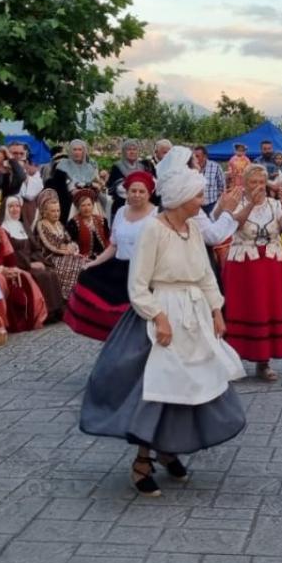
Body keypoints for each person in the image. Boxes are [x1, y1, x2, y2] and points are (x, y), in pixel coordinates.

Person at [79, 149, 246, 497]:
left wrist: (216, 310)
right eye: (198, 195)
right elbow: (137, 284)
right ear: (182, 198)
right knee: (158, 386)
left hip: (194, 313)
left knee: (189, 384)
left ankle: (168, 448)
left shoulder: (192, 230)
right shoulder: (153, 231)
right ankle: (142, 460)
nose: (202, 201)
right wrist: (158, 317)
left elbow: (204, 273)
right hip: (161, 312)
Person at [221, 164, 282, 382]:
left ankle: (263, 362)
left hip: (271, 264)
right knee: (242, 308)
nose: (258, 187)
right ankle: (231, 360)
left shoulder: (273, 204)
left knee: (266, 309)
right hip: (243, 265)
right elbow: (233, 226)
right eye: (253, 182)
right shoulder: (236, 202)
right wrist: (251, 205)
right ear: (244, 183)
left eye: (261, 182)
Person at [63, 173, 157, 341]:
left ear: (149, 193)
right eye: (133, 191)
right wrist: (94, 263)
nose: (136, 195)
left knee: (137, 315)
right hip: (119, 269)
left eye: (141, 191)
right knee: (88, 279)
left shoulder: (156, 215)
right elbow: (113, 245)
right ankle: (115, 345)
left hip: (143, 271)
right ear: (127, 192)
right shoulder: (121, 212)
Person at [0, 196, 48, 333]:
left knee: (24, 276)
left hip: (3, 269)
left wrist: (11, 268)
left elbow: (9, 255)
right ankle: (1, 322)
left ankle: (29, 318)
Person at [0, 196, 62, 321]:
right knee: (41, 275)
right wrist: (29, 264)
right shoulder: (2, 229)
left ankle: (55, 312)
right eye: (11, 206)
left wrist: (36, 260)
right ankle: (44, 313)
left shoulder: (23, 225)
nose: (15, 209)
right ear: (5, 209)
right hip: (17, 265)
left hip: (30, 262)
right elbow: (8, 254)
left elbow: (35, 247)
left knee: (51, 273)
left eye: (17, 206)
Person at [33, 189, 89, 294]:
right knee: (77, 266)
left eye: (58, 210)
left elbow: (68, 239)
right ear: (45, 212)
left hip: (64, 254)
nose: (56, 214)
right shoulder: (41, 225)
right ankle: (68, 295)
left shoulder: (59, 224)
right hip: (50, 258)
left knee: (86, 263)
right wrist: (65, 249)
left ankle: (83, 294)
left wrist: (73, 247)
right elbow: (50, 244)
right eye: (53, 211)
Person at [49, 139, 99, 209]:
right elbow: (57, 187)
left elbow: (96, 186)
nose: (77, 152)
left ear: (84, 152)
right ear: (70, 151)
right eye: (74, 149)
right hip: (66, 205)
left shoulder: (89, 168)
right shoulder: (62, 165)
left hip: (87, 205)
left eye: (79, 150)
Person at [107, 140, 147, 215]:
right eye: (129, 149)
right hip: (122, 204)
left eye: (134, 149)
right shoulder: (117, 166)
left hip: (141, 204)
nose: (132, 152)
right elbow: (118, 188)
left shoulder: (142, 167)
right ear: (124, 152)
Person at [194, 145, 225, 215]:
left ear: (204, 157)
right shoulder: (191, 168)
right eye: (194, 156)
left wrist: (219, 203)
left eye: (197, 156)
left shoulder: (216, 167)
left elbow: (222, 186)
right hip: (197, 206)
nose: (195, 158)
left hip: (212, 204)